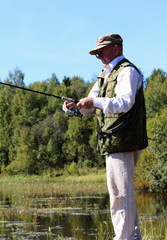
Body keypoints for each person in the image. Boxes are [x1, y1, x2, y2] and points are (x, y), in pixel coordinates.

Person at [63, 33, 148, 240]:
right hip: (113, 143)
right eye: (96, 54)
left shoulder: (127, 71)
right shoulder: (104, 75)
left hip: (124, 142)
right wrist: (74, 108)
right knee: (121, 194)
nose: (99, 56)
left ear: (116, 49)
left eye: (101, 51)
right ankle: (131, 237)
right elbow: (90, 106)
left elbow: (124, 102)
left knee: (120, 196)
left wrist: (95, 102)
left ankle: (124, 238)